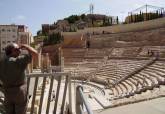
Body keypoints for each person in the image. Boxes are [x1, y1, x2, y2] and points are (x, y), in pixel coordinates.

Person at [0, 43, 36, 114]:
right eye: (17, 49)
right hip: (19, 92)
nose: (20, 51)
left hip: (7, 92)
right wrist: (26, 47)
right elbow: (35, 54)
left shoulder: (1, 62)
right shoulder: (18, 60)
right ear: (11, 51)